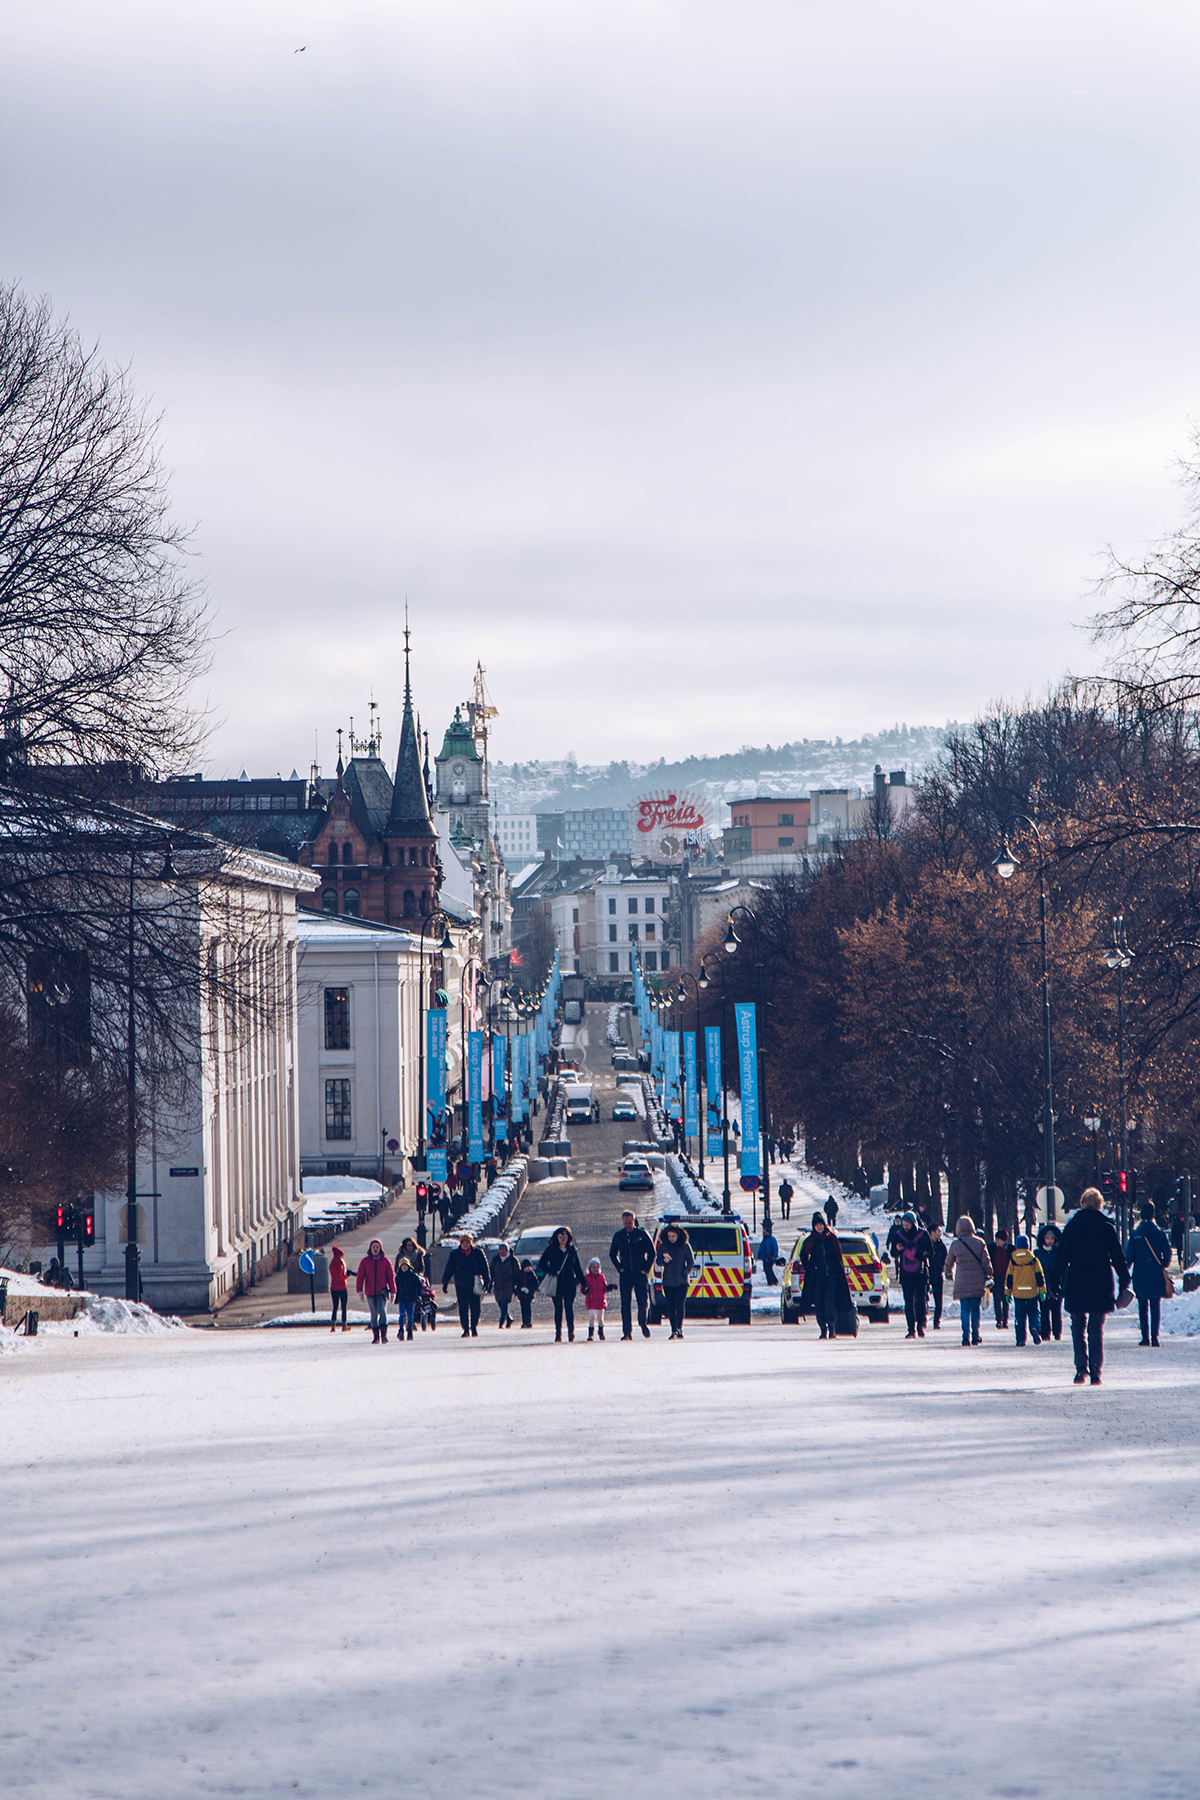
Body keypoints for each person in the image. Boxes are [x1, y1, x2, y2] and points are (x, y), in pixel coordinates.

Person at [1057, 1186, 1130, 1385]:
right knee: (1096, 1328)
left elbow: (1061, 1257)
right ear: (1099, 1206)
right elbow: (1118, 1257)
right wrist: (1124, 1281)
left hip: (1077, 1281)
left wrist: (1054, 1279)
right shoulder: (1106, 1227)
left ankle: (1081, 1368)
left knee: (1077, 1325)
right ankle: (1096, 1372)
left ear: (1082, 1205)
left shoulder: (1072, 1227)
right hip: (1100, 1282)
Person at [1126, 1200, 1172, 1348]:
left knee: (1142, 1304)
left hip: (1140, 1272)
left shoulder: (1136, 1235)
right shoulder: (1159, 1233)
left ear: (1140, 1216)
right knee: (1155, 1304)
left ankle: (1145, 1337)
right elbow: (1167, 1252)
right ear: (1153, 1216)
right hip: (1155, 1272)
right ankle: (1155, 1337)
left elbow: (1129, 1257)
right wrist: (1163, 1263)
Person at [798, 1211, 850, 1339]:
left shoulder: (831, 1238)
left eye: (821, 1224)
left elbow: (838, 1255)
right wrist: (809, 1267)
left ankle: (832, 1328)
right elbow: (803, 1254)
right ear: (814, 1227)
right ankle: (823, 1329)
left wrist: (838, 1270)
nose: (819, 1227)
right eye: (817, 1225)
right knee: (819, 1303)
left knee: (829, 1302)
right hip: (817, 1277)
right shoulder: (810, 1240)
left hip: (831, 1276)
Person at [943, 1216, 992, 1346]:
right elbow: (986, 1262)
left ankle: (965, 1336)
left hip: (962, 1281)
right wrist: (989, 1274)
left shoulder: (955, 1245)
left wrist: (948, 1274)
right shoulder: (980, 1242)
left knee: (964, 1309)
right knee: (975, 1308)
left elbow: (948, 1264)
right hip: (977, 1280)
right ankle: (976, 1336)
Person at [609, 1209, 656, 1340]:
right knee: (625, 1304)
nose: (628, 1225)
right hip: (626, 1274)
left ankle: (642, 1322)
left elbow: (652, 1252)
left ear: (634, 1221)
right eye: (625, 1223)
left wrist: (646, 1269)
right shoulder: (619, 1236)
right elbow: (612, 1254)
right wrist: (620, 1268)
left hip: (640, 1273)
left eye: (630, 1223)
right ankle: (627, 1332)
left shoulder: (642, 1234)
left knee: (642, 1301)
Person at [536, 1226, 585, 1342]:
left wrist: (584, 1283)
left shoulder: (572, 1250)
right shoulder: (551, 1249)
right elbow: (542, 1264)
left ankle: (571, 1333)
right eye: (560, 1236)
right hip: (556, 1283)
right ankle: (558, 1334)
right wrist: (552, 1272)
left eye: (565, 1235)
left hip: (569, 1283)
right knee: (558, 1309)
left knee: (569, 1308)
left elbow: (577, 1268)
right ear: (556, 1237)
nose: (563, 1238)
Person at [442, 1232, 491, 1337]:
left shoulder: (478, 1253)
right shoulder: (455, 1254)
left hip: (474, 1285)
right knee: (463, 1308)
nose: (465, 1244)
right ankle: (465, 1329)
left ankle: (473, 1327)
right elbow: (449, 1268)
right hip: (461, 1284)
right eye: (463, 1242)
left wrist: (487, 1281)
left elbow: (484, 1267)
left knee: (476, 1308)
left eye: (467, 1242)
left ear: (471, 1243)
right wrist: (445, 1282)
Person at [892, 1210, 931, 1338]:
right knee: (908, 1302)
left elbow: (931, 1252)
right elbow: (893, 1252)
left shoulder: (923, 1234)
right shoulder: (898, 1235)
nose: (905, 1227)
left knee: (920, 1300)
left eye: (907, 1225)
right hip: (905, 1274)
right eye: (903, 1224)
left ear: (913, 1223)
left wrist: (920, 1254)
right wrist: (897, 1250)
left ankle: (920, 1325)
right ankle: (911, 1329)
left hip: (920, 1273)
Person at [656, 1222, 695, 1339]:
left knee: (680, 1305)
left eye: (673, 1236)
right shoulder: (663, 1246)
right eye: (669, 1236)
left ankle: (679, 1328)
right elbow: (658, 1261)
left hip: (682, 1281)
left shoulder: (685, 1245)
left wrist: (685, 1273)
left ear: (678, 1235)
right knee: (671, 1306)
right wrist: (664, 1260)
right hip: (668, 1281)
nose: (671, 1238)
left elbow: (691, 1262)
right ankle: (673, 1329)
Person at [1005, 1235, 1046, 1345]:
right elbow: (1040, 1276)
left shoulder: (1013, 1260)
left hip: (1018, 1293)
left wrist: (1007, 1293)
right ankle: (1035, 1328)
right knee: (1033, 1312)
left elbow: (1009, 1278)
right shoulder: (1033, 1259)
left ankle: (1020, 1339)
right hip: (1032, 1292)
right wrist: (1042, 1291)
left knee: (1020, 1316)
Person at [356, 1238, 395, 1343]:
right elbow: (360, 1277)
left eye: (377, 1247)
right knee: (373, 1314)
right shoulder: (365, 1261)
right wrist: (360, 1291)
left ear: (380, 1248)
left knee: (382, 1312)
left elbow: (391, 1277)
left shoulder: (386, 1261)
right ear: (370, 1248)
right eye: (374, 1247)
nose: (375, 1249)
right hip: (370, 1292)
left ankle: (384, 1335)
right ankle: (376, 1336)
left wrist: (393, 1291)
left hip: (382, 1292)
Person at [1035, 1224, 1064, 1342]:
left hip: (1056, 1285)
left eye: (1052, 1238)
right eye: (1047, 1238)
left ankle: (1057, 1333)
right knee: (1044, 1311)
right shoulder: (1037, 1253)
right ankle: (1045, 1333)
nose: (1050, 1241)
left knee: (1056, 1312)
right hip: (1042, 1286)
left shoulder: (1058, 1253)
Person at [581, 1258, 614, 1340]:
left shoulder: (601, 1277)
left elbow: (604, 1288)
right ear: (589, 1268)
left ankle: (601, 1331)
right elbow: (583, 1288)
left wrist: (610, 1287)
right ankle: (590, 1334)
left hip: (600, 1300)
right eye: (593, 1267)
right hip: (591, 1300)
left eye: (597, 1267)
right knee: (592, 1316)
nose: (595, 1269)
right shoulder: (586, 1277)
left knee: (600, 1318)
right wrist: (585, 1290)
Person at [490, 1240, 518, 1329]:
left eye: (504, 1252)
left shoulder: (512, 1260)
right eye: (500, 1252)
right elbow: (491, 1272)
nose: (502, 1253)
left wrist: (516, 1284)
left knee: (504, 1302)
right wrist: (489, 1283)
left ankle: (501, 1322)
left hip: (509, 1286)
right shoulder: (495, 1260)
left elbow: (517, 1273)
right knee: (500, 1303)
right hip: (498, 1286)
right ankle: (509, 1319)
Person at [989, 1228, 1012, 1328]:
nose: (997, 1241)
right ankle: (999, 1319)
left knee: (1006, 1299)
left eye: (999, 1239)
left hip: (1007, 1277)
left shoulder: (1010, 1249)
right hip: (996, 1277)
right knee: (997, 1299)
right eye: (996, 1238)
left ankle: (1005, 1320)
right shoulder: (992, 1248)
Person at [394, 1257, 421, 1340]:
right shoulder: (398, 1277)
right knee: (402, 1315)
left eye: (406, 1265)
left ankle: (409, 1330)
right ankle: (401, 1329)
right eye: (402, 1265)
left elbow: (419, 1286)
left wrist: (418, 1295)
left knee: (410, 1316)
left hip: (411, 1298)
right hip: (402, 1298)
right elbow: (396, 1288)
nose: (404, 1267)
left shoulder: (413, 1276)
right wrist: (396, 1298)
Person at [927, 1224, 947, 1330]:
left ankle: (936, 1322)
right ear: (932, 1233)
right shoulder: (926, 1244)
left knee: (938, 1300)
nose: (940, 1232)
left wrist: (944, 1268)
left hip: (938, 1275)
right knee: (922, 1298)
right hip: (926, 1275)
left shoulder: (941, 1246)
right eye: (938, 1231)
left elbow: (946, 1258)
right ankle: (922, 1319)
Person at [329, 1243, 349, 1332]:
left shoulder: (332, 1264)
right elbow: (339, 1278)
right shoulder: (339, 1265)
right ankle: (344, 1325)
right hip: (342, 1288)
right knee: (343, 1307)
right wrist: (347, 1275)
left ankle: (333, 1326)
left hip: (333, 1288)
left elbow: (334, 1278)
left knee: (335, 1307)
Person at [515, 1258, 538, 1329]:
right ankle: (524, 1322)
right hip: (522, 1295)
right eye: (527, 1267)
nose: (528, 1268)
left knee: (528, 1308)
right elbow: (516, 1284)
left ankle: (528, 1322)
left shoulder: (532, 1275)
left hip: (529, 1295)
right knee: (523, 1308)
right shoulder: (520, 1274)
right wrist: (520, 1289)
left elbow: (536, 1285)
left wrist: (529, 1290)